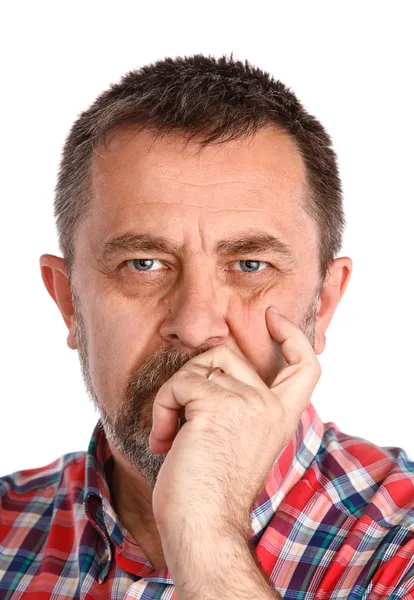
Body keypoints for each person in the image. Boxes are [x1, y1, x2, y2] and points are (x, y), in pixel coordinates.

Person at [0, 54, 413, 600]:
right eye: (143, 264)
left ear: (325, 302)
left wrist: (208, 537)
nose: (195, 328)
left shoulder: (399, 546)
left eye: (250, 266)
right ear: (68, 302)